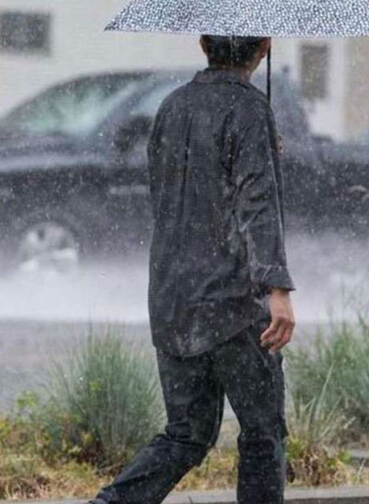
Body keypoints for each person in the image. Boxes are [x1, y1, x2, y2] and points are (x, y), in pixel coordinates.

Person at [90, 35, 296, 504]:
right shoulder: (249, 109)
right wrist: (276, 287)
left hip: (172, 296)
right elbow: (256, 203)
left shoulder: (171, 106)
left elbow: (176, 192)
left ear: (203, 42)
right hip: (233, 305)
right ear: (264, 47)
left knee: (187, 433)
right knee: (263, 435)